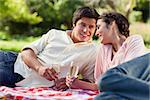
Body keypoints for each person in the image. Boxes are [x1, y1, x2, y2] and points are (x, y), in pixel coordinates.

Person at [0, 6, 99, 88]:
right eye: (82, 25)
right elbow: (26, 52)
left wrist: (69, 83)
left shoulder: (93, 51)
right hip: (13, 59)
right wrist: (40, 68)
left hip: (15, 77)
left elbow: (89, 80)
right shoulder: (55, 33)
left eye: (91, 27)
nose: (86, 30)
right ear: (74, 25)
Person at [65, 12, 147, 91]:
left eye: (99, 27)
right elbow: (98, 85)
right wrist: (76, 83)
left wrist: (105, 82)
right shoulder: (103, 49)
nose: (96, 33)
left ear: (112, 24)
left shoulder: (134, 41)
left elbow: (129, 77)